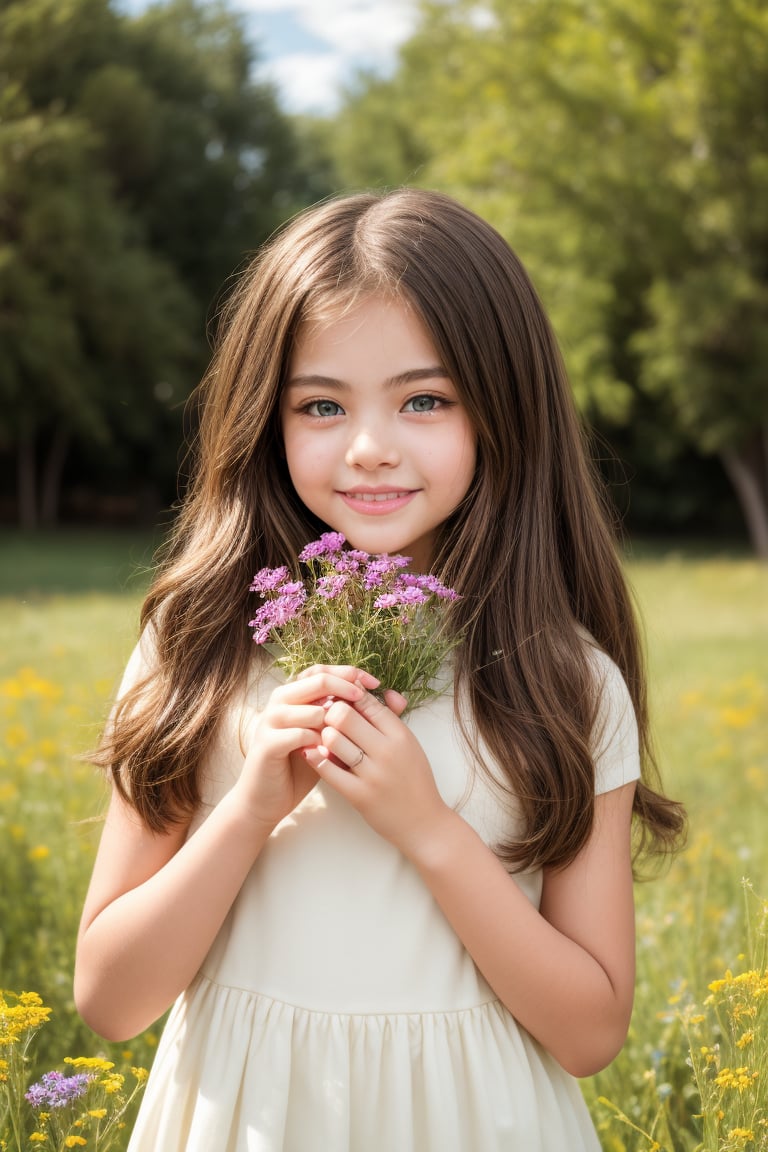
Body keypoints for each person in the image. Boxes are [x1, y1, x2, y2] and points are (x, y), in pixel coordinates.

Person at [74, 188, 685, 1152]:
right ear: (263, 418)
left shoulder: (565, 679)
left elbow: (591, 1030)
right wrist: (247, 811)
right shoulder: (196, 647)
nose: (369, 448)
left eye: (425, 400)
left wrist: (429, 830)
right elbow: (110, 1000)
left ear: (504, 412)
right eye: (321, 404)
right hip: (248, 1120)